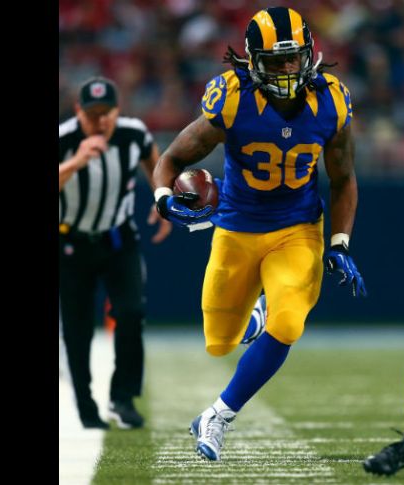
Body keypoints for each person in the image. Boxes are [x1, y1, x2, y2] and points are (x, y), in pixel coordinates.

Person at [152, 6, 366, 461]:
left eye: (294, 58)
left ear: (308, 54)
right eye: (275, 60)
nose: (287, 68)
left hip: (297, 228)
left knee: (288, 323)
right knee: (219, 342)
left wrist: (340, 242)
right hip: (235, 227)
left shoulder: (331, 100)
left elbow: (344, 178)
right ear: (253, 61)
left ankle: (218, 415)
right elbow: (171, 159)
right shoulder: (232, 98)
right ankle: (255, 317)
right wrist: (163, 198)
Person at [59, 76, 173, 429]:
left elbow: (155, 162)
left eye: (106, 112)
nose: (100, 120)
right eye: (92, 113)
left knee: (131, 311)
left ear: (117, 110)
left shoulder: (132, 133)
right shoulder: (64, 139)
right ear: (78, 111)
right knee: (78, 329)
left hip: (118, 238)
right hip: (71, 242)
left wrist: (160, 199)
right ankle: (86, 406)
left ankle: (123, 397)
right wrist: (76, 162)